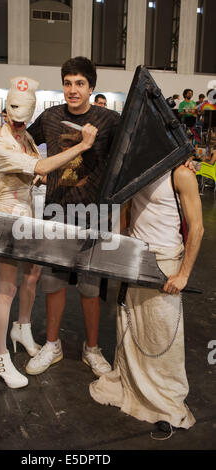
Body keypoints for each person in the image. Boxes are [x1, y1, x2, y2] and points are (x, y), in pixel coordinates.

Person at [0, 76, 99, 389]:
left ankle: (22, 329)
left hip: (27, 218)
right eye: (14, 118)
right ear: (5, 112)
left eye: (24, 120)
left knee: (33, 275)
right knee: (6, 289)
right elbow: (41, 168)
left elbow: (36, 171)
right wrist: (83, 145)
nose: (19, 124)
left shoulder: (25, 139)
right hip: (6, 219)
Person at [89, 164, 204, 435]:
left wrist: (184, 274)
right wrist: (116, 250)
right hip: (134, 257)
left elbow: (197, 227)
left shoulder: (181, 174)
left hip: (165, 262)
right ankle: (133, 387)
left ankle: (164, 400)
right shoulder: (137, 170)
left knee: (163, 337)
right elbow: (128, 211)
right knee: (131, 330)